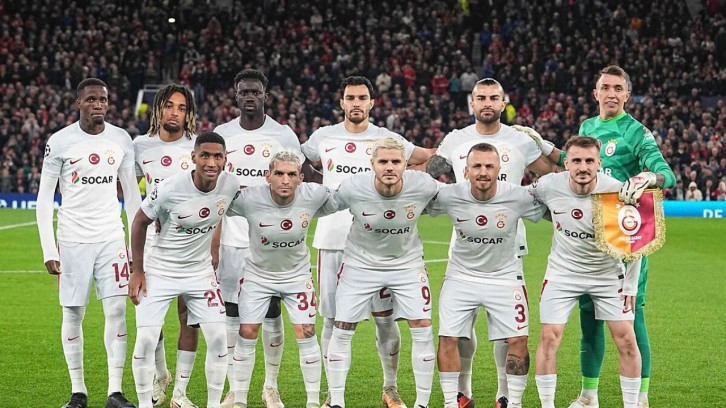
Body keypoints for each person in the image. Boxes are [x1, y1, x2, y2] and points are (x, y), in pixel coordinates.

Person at [521, 65, 675, 408]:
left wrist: (647, 178)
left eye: (618, 88)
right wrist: (544, 146)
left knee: (632, 321)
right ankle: (589, 394)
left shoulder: (636, 132)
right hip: (583, 241)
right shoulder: (588, 127)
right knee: (589, 320)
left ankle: (641, 397)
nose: (611, 94)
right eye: (605, 87)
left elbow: (667, 174)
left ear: (627, 95)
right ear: (596, 93)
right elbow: (576, 162)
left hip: (623, 239)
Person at [300, 76, 432, 408]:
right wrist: (322, 187)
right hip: (333, 238)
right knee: (333, 318)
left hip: (380, 241)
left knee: (385, 319)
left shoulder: (388, 140)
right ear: (341, 102)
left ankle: (391, 387)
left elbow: (427, 157)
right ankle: (333, 394)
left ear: (372, 102)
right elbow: (300, 164)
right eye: (350, 97)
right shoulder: (323, 137)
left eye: (362, 97)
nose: (356, 103)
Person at [425, 77, 557, 408]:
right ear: (472, 103)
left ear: (503, 103)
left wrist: (549, 147)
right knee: (459, 329)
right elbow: (426, 173)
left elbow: (552, 173)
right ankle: (462, 392)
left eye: (493, 97)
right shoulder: (455, 139)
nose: (487, 102)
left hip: (509, 243)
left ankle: (504, 394)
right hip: (464, 240)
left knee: (508, 329)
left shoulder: (521, 140)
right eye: (481, 97)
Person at [36, 78, 142, 408]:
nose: (98, 104)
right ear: (78, 103)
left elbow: (133, 197)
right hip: (72, 240)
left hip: (111, 238)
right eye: (92, 99)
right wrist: (49, 249)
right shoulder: (60, 142)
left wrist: (137, 248)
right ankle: (78, 392)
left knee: (117, 311)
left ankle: (115, 392)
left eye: (103, 99)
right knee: (73, 313)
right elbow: (44, 198)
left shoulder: (121, 139)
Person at [325, 137, 439, 408]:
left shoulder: (423, 185)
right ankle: (336, 402)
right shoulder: (353, 187)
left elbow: (459, 198)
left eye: (396, 161)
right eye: (383, 161)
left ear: (406, 164)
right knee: (342, 327)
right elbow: (320, 203)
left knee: (422, 326)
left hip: (406, 264)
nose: (389, 167)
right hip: (360, 264)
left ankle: (421, 404)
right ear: (372, 164)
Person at [128, 132, 239, 408]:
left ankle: (212, 405)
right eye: (205, 156)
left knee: (218, 338)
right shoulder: (169, 188)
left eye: (217, 156)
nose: (211, 162)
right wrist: (138, 271)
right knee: (146, 338)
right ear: (193, 157)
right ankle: (145, 404)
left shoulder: (230, 185)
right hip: (160, 270)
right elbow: (140, 222)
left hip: (200, 273)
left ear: (225, 159)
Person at [530, 136, 642, 408]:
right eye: (577, 160)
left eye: (589, 161)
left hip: (607, 274)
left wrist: (631, 284)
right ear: (566, 163)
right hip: (562, 273)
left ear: (599, 163)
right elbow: (520, 199)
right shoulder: (548, 185)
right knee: (549, 337)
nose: (583, 167)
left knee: (627, 339)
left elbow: (636, 237)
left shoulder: (616, 191)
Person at [213, 69, 301, 408]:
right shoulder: (223, 135)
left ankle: (270, 386)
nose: (250, 96)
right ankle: (235, 389)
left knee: (272, 310)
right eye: (244, 91)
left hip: (271, 240)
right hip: (232, 239)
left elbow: (295, 183)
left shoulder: (283, 135)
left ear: (266, 95)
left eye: (255, 91)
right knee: (232, 313)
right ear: (236, 96)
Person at [228, 149, 335, 408]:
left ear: (300, 178)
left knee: (306, 331)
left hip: (297, 276)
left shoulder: (313, 195)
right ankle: (239, 400)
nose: (285, 180)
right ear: (268, 176)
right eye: (278, 174)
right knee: (247, 331)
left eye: (291, 174)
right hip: (257, 275)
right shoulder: (249, 198)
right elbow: (213, 201)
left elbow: (349, 198)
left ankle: (312, 402)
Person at [133, 83, 199, 407]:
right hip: (152, 244)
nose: (175, 112)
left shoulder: (197, 147)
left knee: (188, 315)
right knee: (151, 317)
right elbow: (128, 190)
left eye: (182, 108)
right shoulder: (140, 146)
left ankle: (180, 394)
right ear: (158, 109)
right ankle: (161, 372)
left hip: (191, 245)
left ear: (189, 114)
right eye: (170, 106)